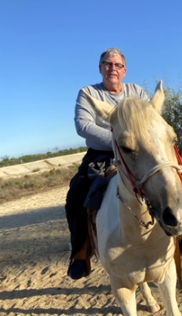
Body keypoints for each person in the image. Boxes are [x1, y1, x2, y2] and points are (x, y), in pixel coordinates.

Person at [65, 48, 148, 280]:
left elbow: (148, 118)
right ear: (100, 68)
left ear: (125, 70)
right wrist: (118, 141)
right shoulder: (88, 93)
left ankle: (177, 234)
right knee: (76, 195)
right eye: (107, 64)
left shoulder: (137, 92)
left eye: (117, 65)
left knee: (167, 178)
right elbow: (83, 126)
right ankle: (80, 253)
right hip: (101, 156)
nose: (113, 68)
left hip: (136, 152)